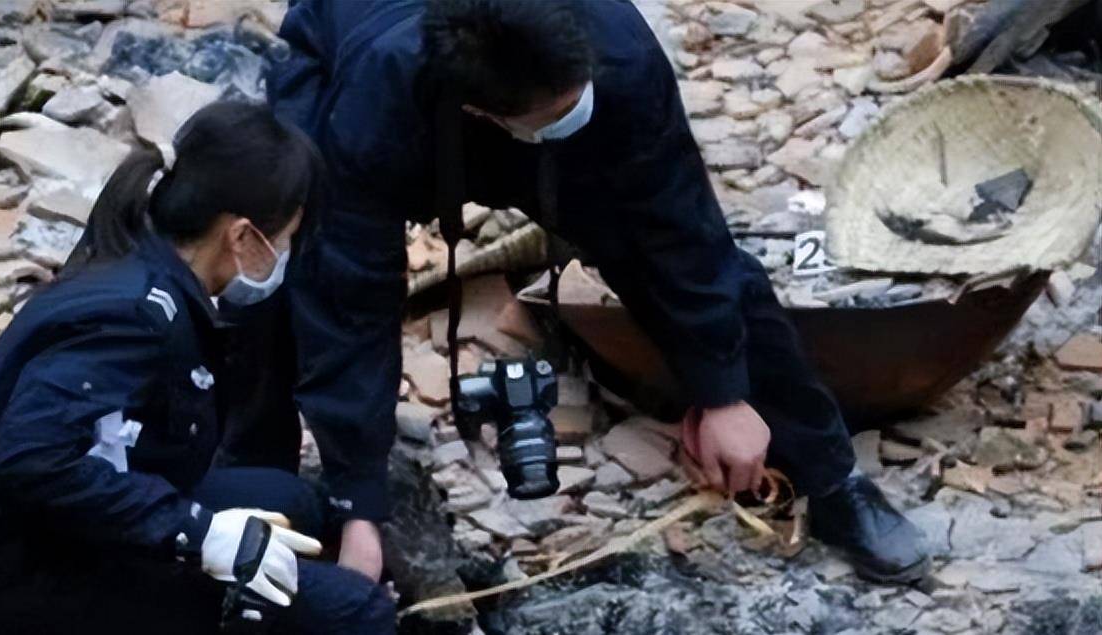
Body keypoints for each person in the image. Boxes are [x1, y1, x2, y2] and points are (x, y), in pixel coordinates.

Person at [230, 0, 929, 585]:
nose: (574, 116)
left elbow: (683, 233)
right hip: (363, 67)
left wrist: (723, 392)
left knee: (697, 263)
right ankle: (260, 493)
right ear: (482, 113)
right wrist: (361, 499)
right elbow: (351, 291)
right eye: (556, 115)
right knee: (294, 271)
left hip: (536, 90)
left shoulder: (613, 48)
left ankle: (832, 480)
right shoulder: (374, 98)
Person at [0, 103, 395, 635]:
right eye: (283, 240)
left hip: (44, 535)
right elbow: (31, 457)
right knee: (356, 611)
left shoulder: (140, 255)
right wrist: (196, 532)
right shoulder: (134, 316)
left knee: (288, 506)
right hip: (15, 585)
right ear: (240, 237)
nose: (283, 255)